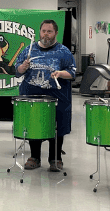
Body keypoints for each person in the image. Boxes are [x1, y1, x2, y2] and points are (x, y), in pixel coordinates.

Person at [13, 19, 76, 171]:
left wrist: (60, 73)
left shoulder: (64, 51)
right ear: (39, 32)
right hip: (32, 97)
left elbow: (72, 72)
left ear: (56, 33)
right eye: (44, 31)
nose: (46, 34)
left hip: (56, 98)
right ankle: (34, 157)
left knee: (56, 128)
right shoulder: (29, 49)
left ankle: (55, 158)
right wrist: (22, 67)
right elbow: (17, 71)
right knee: (34, 126)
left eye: (49, 31)